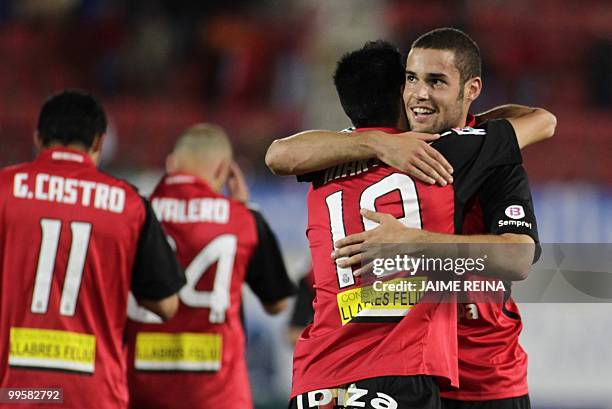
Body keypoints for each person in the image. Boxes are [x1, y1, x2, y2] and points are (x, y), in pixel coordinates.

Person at [268, 29, 553, 409]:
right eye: (411, 79)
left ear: (470, 89)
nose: (419, 93)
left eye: (436, 82)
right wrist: (378, 142)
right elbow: (279, 154)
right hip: (412, 367)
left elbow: (518, 258)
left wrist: (414, 242)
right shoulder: (352, 148)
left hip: (482, 377)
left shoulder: (488, 154)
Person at [0, 90, 185, 409]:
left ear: (37, 138)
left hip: (15, 393)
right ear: (99, 143)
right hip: (94, 396)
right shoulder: (129, 204)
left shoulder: (5, 189)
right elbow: (167, 305)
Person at [125, 124, 296, 409]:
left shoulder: (133, 214)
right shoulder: (244, 220)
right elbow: (276, 304)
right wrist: (243, 209)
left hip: (140, 391)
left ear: (170, 164)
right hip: (218, 395)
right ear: (223, 171)